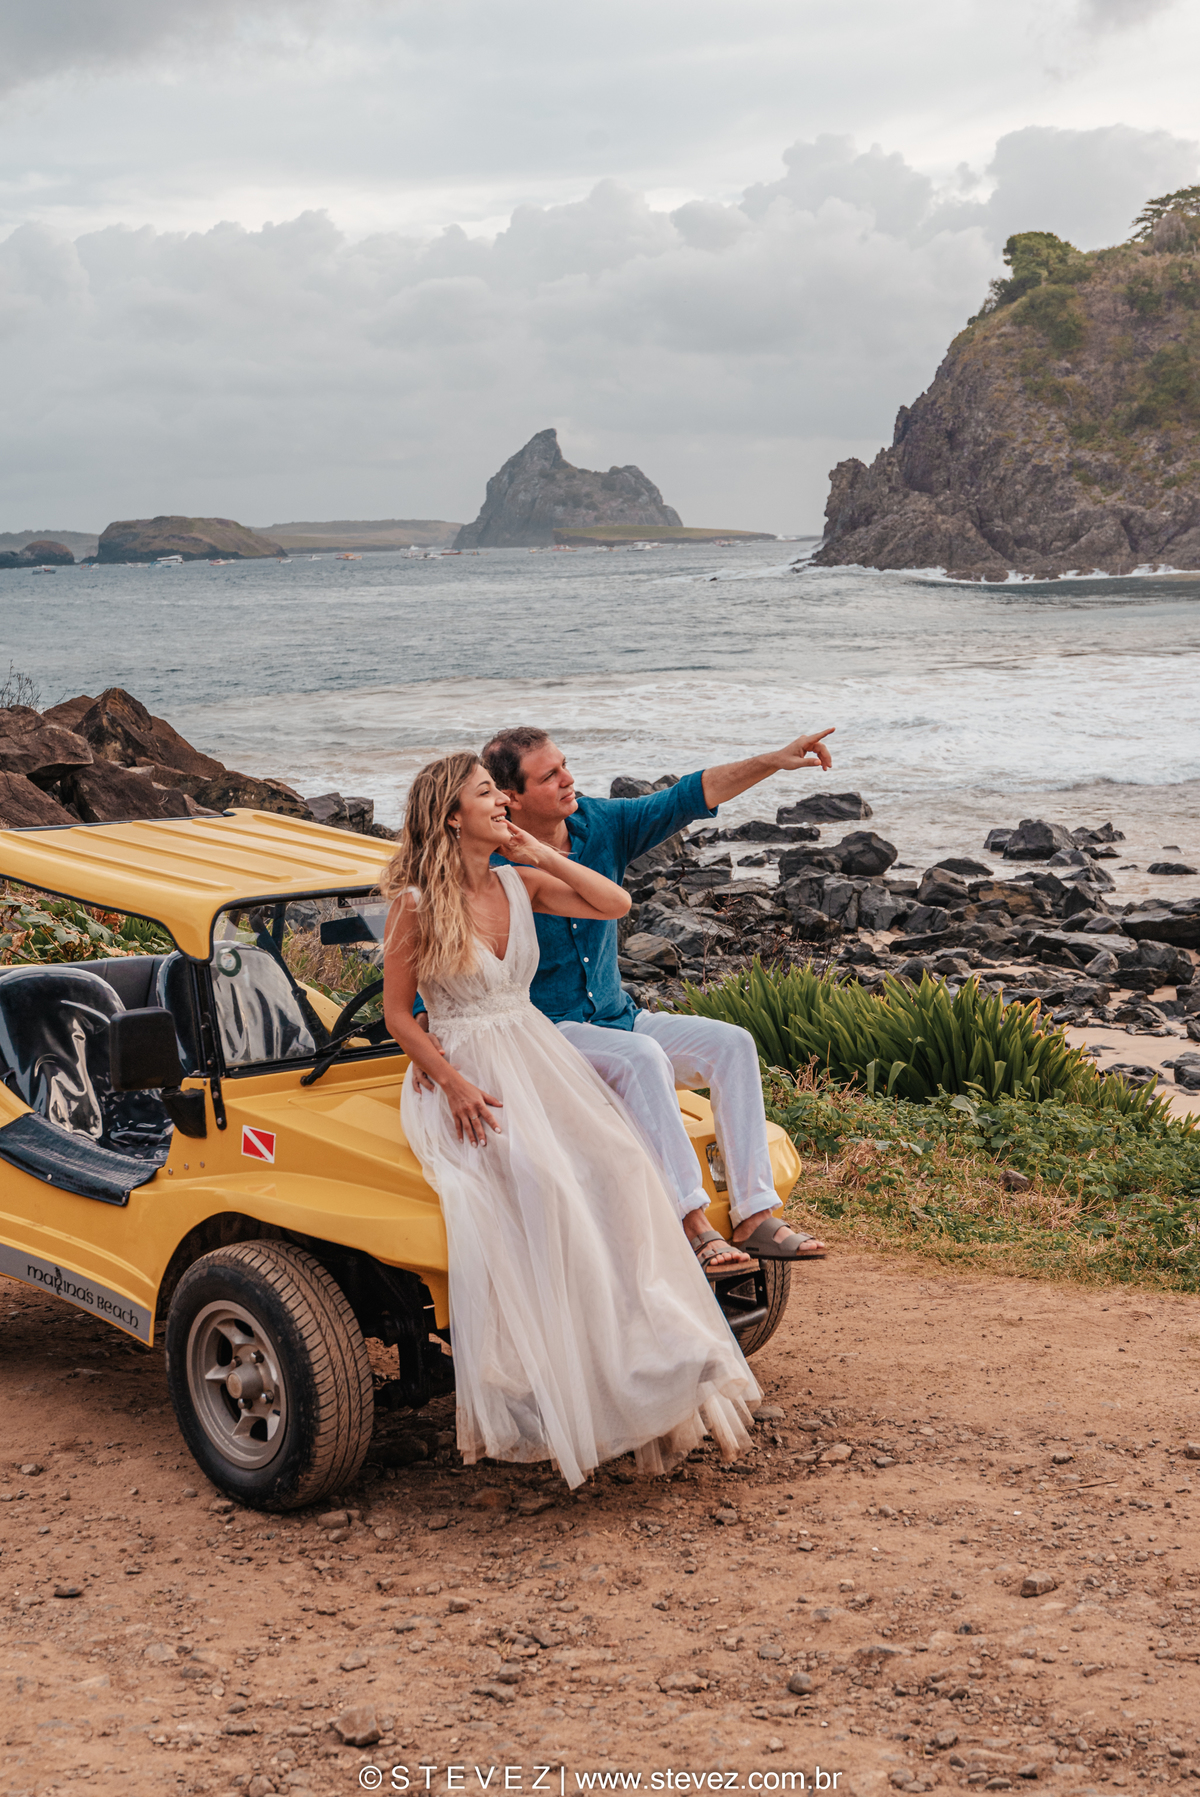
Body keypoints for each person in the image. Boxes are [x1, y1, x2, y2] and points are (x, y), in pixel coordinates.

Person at [381, 752, 761, 1489]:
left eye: (500, 792)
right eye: (486, 794)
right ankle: (559, 1369)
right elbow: (400, 1015)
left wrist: (530, 848)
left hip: (534, 1050)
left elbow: (615, 904)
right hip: (460, 1069)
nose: (500, 804)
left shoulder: (520, 882)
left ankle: (651, 1346)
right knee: (545, 1180)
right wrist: (453, 1083)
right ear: (452, 815)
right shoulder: (416, 904)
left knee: (620, 1164)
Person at [479, 725, 836, 1269]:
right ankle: (691, 1222)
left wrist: (773, 760)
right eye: (550, 775)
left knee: (732, 1043)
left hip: (618, 1016)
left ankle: (754, 1215)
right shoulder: (488, 865)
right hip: (548, 1033)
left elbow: (689, 795)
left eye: (565, 765)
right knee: (643, 1059)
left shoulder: (600, 823)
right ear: (512, 796)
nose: (568, 779)